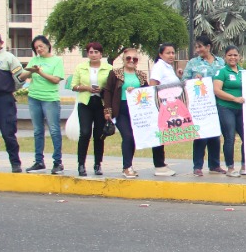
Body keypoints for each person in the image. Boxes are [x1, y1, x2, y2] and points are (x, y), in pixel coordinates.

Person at [181, 33, 226, 176]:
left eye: (200, 46)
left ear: (208, 47)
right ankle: (197, 166)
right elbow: (184, 81)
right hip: (200, 105)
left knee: (214, 134)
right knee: (200, 134)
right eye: (196, 47)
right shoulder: (193, 63)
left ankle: (214, 165)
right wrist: (194, 79)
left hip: (218, 102)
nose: (198, 49)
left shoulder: (220, 62)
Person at [20, 35, 65, 173]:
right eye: (36, 48)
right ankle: (39, 161)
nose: (39, 50)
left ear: (47, 45)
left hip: (50, 99)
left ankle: (58, 162)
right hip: (34, 97)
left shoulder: (57, 60)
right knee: (38, 130)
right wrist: (30, 71)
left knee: (54, 130)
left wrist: (40, 71)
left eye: (41, 46)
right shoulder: (34, 60)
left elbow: (56, 80)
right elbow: (21, 77)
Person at [103, 47, 149, 178]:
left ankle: (129, 165)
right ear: (123, 59)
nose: (131, 61)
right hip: (120, 108)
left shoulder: (141, 75)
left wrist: (136, 91)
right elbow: (107, 91)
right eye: (128, 58)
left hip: (136, 110)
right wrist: (108, 110)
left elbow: (147, 92)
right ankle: (126, 167)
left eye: (134, 59)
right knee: (127, 136)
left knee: (133, 137)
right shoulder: (115, 74)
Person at [70, 41, 109, 176]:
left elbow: (111, 86)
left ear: (101, 54)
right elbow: (73, 85)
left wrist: (102, 89)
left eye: (96, 52)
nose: (93, 55)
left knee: (99, 135)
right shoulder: (81, 67)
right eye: (91, 52)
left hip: (100, 103)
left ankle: (98, 164)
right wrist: (86, 88)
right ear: (87, 54)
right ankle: (81, 164)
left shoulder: (108, 68)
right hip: (85, 102)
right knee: (85, 133)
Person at [0, 31, 24, 172]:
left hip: (3, 100)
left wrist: (9, 89)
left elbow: (20, 78)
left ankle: (15, 163)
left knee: (8, 133)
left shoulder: (9, 58)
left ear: (1, 43)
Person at [147, 43, 181, 177]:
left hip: (169, 106)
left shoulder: (168, 67)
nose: (171, 55)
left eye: (173, 53)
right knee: (159, 136)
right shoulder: (159, 66)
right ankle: (159, 165)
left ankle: (162, 162)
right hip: (161, 106)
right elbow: (153, 86)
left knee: (164, 135)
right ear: (161, 54)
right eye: (168, 53)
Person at [213, 45, 245, 177]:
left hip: (241, 110)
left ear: (239, 57)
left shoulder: (244, 72)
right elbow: (217, 90)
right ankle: (230, 168)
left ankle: (245, 165)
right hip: (226, 108)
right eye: (230, 55)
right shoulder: (222, 72)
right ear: (225, 57)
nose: (233, 57)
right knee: (230, 138)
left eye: (235, 55)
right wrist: (234, 98)